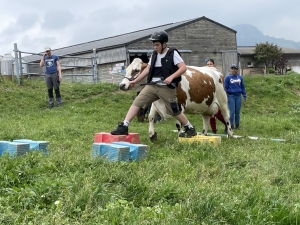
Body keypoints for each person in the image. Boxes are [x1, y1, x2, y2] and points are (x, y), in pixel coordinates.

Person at [111, 30, 196, 138]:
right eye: (154, 45)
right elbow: (148, 69)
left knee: (174, 111)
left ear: (164, 44)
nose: (155, 47)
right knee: (137, 102)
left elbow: (183, 67)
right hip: (152, 86)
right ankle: (124, 126)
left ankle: (189, 127)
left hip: (166, 87)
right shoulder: (155, 54)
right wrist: (135, 81)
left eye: (157, 45)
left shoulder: (172, 53)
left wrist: (171, 77)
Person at [206, 59, 227, 134]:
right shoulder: (204, 74)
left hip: (217, 95)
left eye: (210, 64)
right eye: (207, 64)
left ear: (213, 65)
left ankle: (227, 125)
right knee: (210, 115)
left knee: (217, 114)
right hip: (208, 96)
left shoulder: (218, 73)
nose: (209, 66)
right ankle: (214, 131)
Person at [224, 64, 247, 130]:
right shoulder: (227, 78)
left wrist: (244, 95)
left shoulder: (240, 77)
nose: (233, 70)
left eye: (235, 69)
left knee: (237, 112)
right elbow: (225, 88)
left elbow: (242, 87)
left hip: (238, 96)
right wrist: (226, 96)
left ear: (237, 70)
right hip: (231, 96)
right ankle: (231, 125)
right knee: (232, 112)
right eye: (232, 69)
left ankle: (237, 125)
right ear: (231, 69)